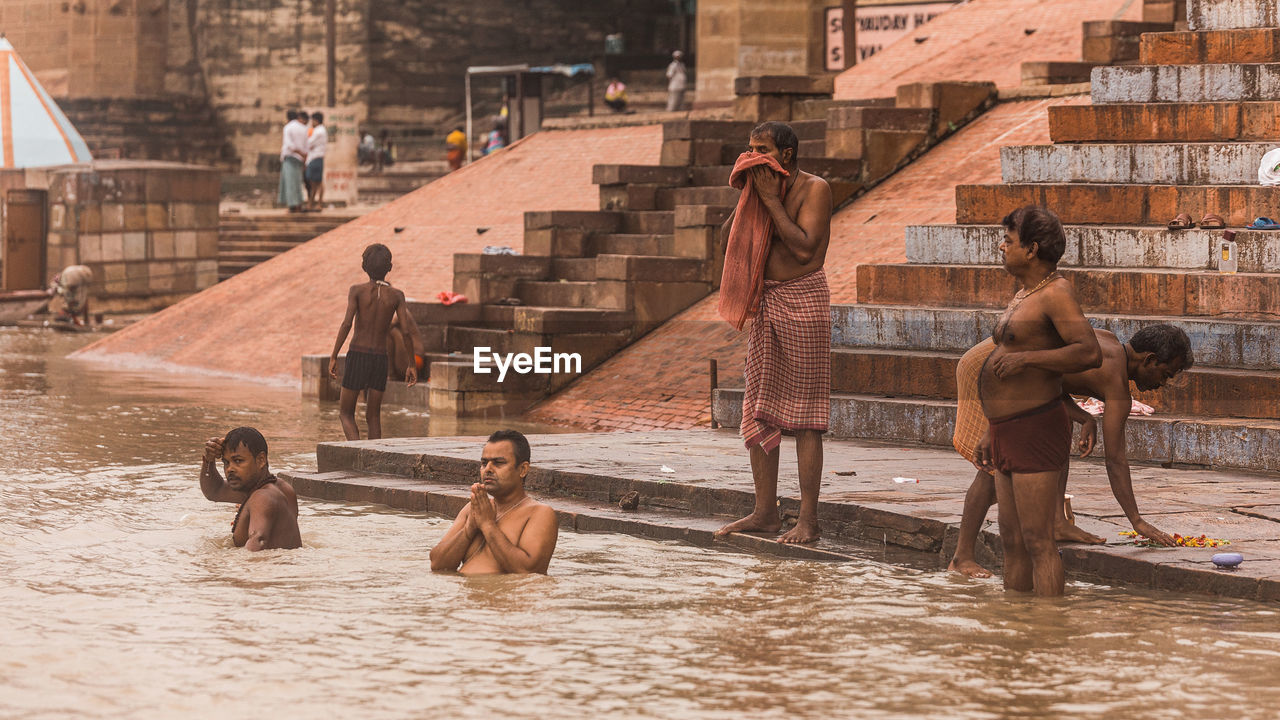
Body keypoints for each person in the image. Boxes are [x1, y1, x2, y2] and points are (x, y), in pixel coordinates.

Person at [949, 325, 1194, 577]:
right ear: (1150, 360)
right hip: (994, 367)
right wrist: (1136, 520)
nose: (1162, 384)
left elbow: (1052, 379)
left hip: (1012, 365)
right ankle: (962, 557)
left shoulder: (1109, 342)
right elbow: (1115, 460)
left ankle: (1058, 521)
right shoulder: (1116, 384)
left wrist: (1084, 417)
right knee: (996, 468)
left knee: (1057, 426)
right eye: (1164, 374)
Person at [713, 121, 833, 544]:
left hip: (803, 303)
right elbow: (726, 240)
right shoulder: (760, 192)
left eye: (761, 149)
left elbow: (803, 247)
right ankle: (765, 512)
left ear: (786, 154)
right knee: (757, 410)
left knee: (806, 418)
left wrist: (769, 199)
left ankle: (809, 520)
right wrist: (750, 198)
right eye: (748, 150)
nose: (752, 157)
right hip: (767, 303)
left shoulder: (814, 188)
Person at [977, 205, 1103, 596]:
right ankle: (1019, 629)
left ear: (1031, 249)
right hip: (1005, 430)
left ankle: (1050, 634)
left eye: (1009, 241)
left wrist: (1027, 359)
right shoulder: (1024, 294)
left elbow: (1089, 352)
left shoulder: (1057, 293)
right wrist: (989, 428)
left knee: (1038, 543)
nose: (1001, 247)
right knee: (1012, 544)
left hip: (1035, 428)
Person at [429, 430, 559, 575]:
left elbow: (528, 572)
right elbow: (437, 565)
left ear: (523, 469)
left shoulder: (539, 513)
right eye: (484, 463)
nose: (488, 469)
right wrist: (469, 529)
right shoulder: (473, 508)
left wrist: (487, 525)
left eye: (498, 463)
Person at [328, 243, 419, 440]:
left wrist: (334, 355)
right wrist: (411, 364)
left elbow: (346, 324)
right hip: (380, 359)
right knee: (373, 417)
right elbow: (406, 332)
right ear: (390, 268)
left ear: (363, 266)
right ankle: (372, 461)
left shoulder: (357, 291)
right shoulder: (397, 295)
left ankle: (356, 453)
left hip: (358, 354)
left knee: (345, 413)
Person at [199, 427, 301, 551]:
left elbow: (259, 540)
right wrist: (209, 460)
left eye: (238, 461)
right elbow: (214, 491)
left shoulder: (262, 497)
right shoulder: (283, 489)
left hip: (269, 568)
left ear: (261, 460)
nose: (230, 469)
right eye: (226, 462)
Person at [278, 109, 308, 213]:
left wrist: (298, 152)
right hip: (300, 159)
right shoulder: (304, 128)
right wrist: (303, 157)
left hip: (290, 157)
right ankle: (299, 204)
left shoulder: (288, 127)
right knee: (298, 182)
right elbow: (306, 146)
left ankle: (292, 206)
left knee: (290, 182)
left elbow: (289, 144)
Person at [305, 111, 327, 212]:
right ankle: (312, 203)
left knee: (317, 182)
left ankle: (318, 204)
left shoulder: (319, 131)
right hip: (314, 158)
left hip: (316, 158)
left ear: (316, 120)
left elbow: (308, 143)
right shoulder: (318, 130)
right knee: (313, 182)